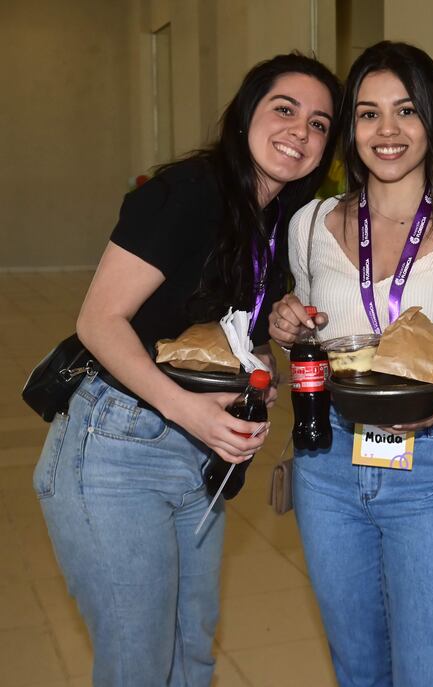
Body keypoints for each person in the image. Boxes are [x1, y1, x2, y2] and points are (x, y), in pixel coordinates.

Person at [32, 54, 341, 686]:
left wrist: (268, 347)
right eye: (284, 110)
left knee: (191, 653)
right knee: (139, 664)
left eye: (318, 123)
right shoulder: (187, 193)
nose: (299, 132)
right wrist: (186, 408)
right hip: (118, 446)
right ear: (245, 115)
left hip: (195, 453)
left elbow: (214, 331)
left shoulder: (276, 220)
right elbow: (99, 322)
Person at [269, 41, 433, 687]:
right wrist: (288, 329)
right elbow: (311, 342)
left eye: (406, 110)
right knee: (359, 667)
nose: (388, 131)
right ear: (350, 127)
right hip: (327, 469)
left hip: (427, 467)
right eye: (368, 113)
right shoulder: (311, 222)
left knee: (430, 670)